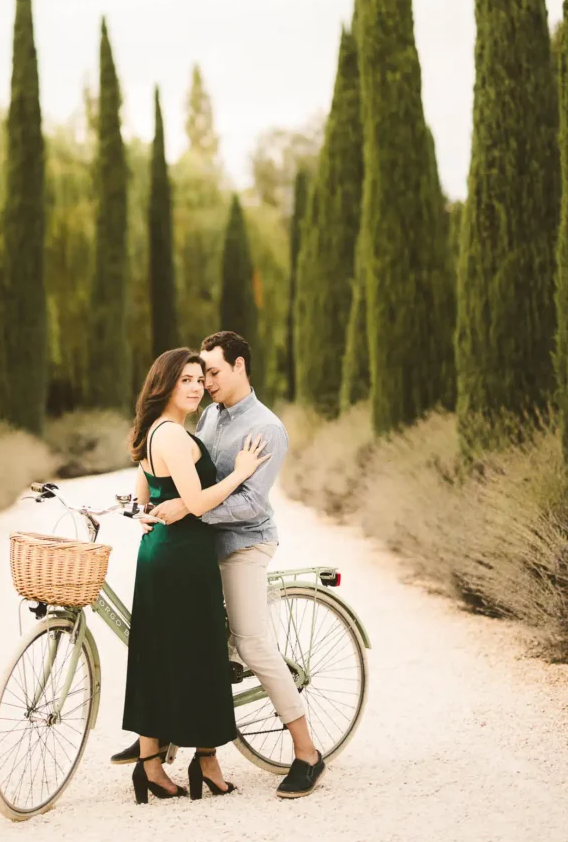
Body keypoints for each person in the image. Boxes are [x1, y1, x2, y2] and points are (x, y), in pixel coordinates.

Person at [113, 330, 325, 800]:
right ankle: (172, 736)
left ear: (239, 367)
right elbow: (171, 473)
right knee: (191, 641)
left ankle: (307, 752)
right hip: (200, 547)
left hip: (243, 544)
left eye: (211, 372)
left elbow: (249, 504)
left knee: (250, 643)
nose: (204, 381)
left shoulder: (267, 429)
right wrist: (155, 507)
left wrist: (187, 508)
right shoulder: (207, 416)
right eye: (196, 374)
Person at [121, 346, 270, 804]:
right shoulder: (171, 435)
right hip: (183, 557)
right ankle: (201, 760)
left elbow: (144, 492)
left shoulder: (155, 431)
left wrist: (142, 513)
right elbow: (199, 502)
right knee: (202, 655)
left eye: (198, 379)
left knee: (156, 655)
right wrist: (241, 472)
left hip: (160, 553)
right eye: (184, 379)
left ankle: (151, 768)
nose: (195, 386)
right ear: (164, 384)